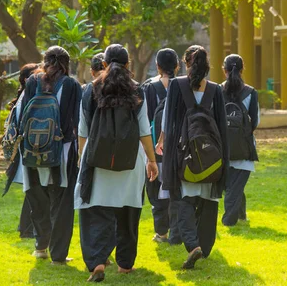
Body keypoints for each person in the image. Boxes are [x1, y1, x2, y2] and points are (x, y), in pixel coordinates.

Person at [75, 44, 159, 282]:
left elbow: (83, 129)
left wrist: (83, 157)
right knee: (128, 214)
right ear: (128, 64)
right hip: (130, 161)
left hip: (98, 160)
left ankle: (98, 263)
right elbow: (144, 130)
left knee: (96, 213)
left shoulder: (91, 90)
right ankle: (124, 264)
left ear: (103, 64)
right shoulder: (137, 90)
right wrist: (152, 160)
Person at [156, 45, 229, 269]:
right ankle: (204, 247)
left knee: (184, 200)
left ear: (186, 63)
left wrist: (161, 141)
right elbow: (221, 126)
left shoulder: (177, 86)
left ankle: (193, 245)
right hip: (211, 155)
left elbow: (168, 120)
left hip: (184, 154)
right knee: (208, 201)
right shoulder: (215, 89)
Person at [20, 46, 82, 264]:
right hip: (62, 152)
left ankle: (40, 247)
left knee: (38, 200)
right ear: (66, 64)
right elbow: (78, 120)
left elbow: (22, 116)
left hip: (33, 151)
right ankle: (58, 256)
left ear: (45, 61)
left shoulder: (32, 82)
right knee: (61, 204)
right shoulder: (72, 85)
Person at [142, 48, 181, 244]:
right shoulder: (183, 86)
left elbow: (145, 119)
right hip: (180, 149)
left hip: (155, 148)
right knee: (177, 190)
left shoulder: (149, 87)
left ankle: (161, 232)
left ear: (157, 66)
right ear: (177, 66)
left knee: (155, 189)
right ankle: (176, 230)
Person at [221, 54, 260, 226]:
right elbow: (255, 120)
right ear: (242, 69)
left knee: (232, 186)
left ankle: (234, 218)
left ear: (224, 70)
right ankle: (236, 218)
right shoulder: (251, 92)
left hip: (221, 147)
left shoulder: (216, 90)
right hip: (244, 147)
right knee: (235, 186)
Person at [3, 63, 40, 239]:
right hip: (26, 152)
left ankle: (25, 228)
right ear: (27, 79)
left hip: (26, 152)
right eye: (35, 74)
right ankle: (26, 229)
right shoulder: (27, 99)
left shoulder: (27, 97)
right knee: (33, 192)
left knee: (33, 192)